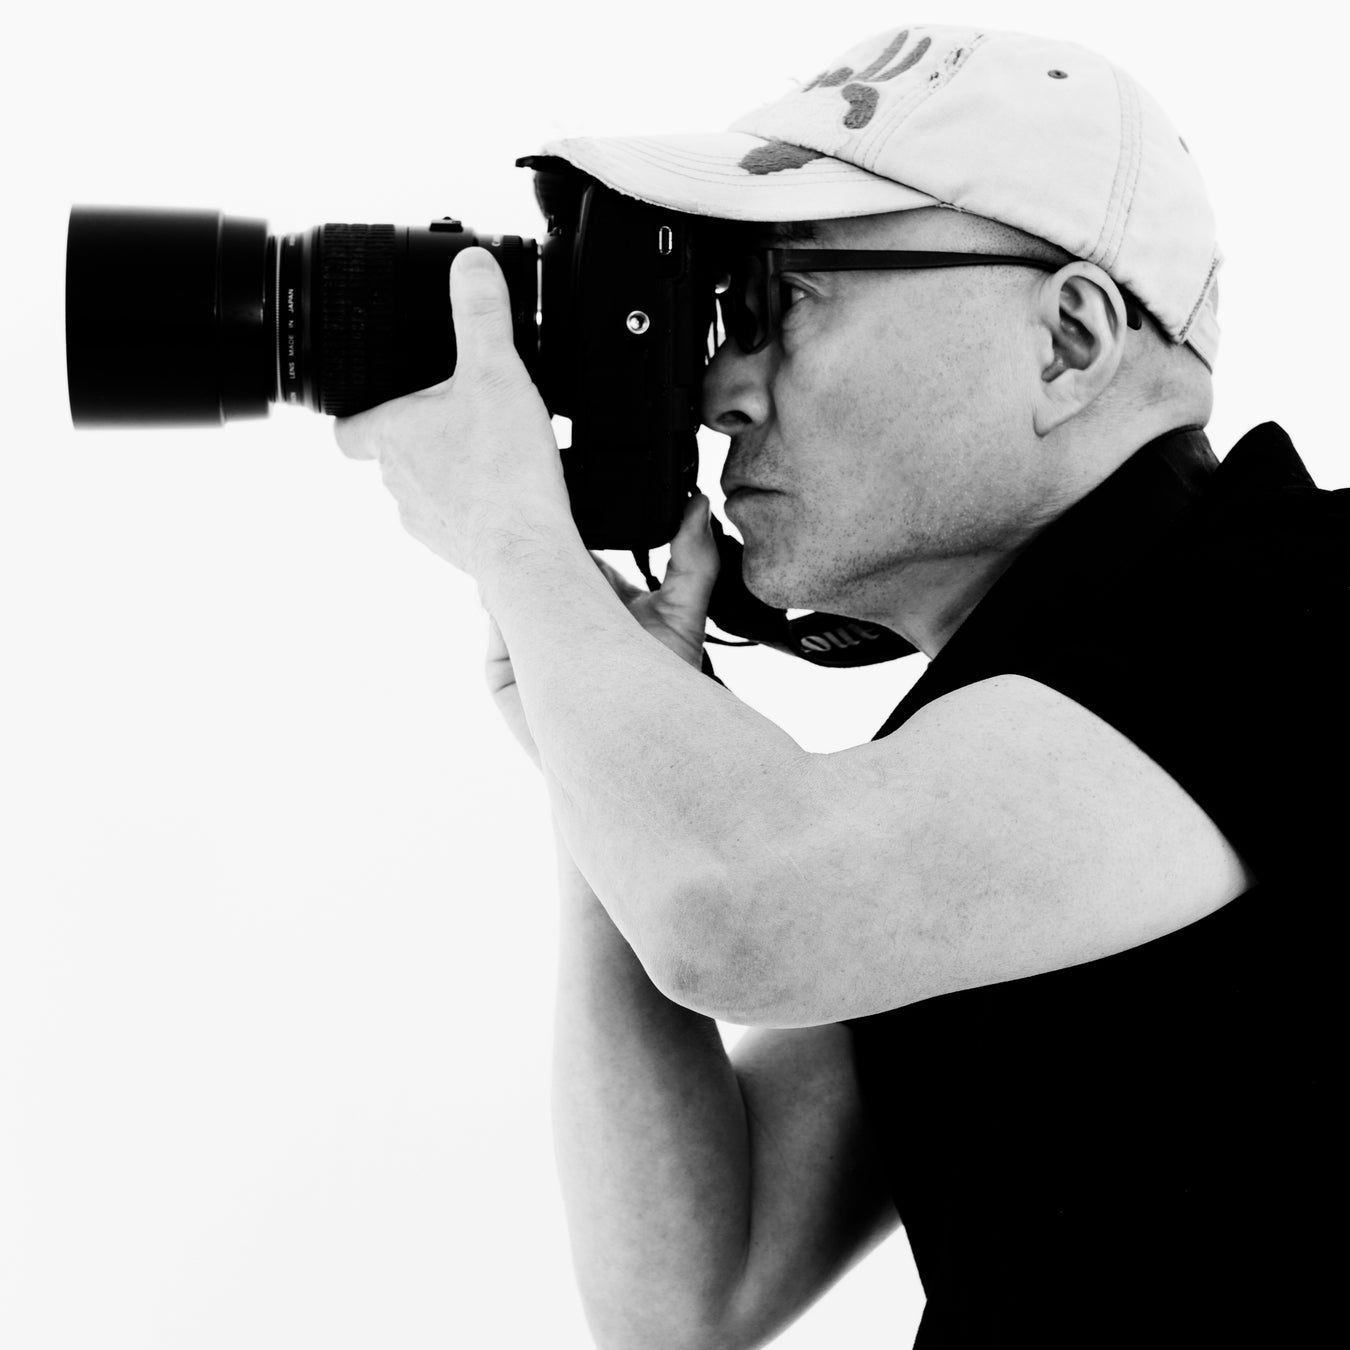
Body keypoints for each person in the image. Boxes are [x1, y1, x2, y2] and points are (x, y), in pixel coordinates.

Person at [333, 22, 1345, 1350]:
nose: (717, 390)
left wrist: (517, 537)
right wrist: (603, 737)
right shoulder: (1005, 747)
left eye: (783, 303)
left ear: (1067, 340)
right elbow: (689, 1292)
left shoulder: (1306, 598)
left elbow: (736, 911)